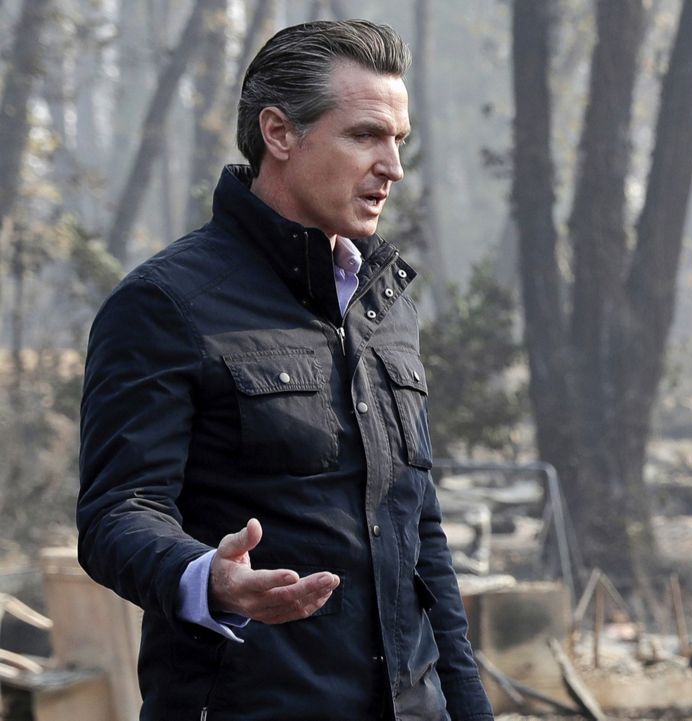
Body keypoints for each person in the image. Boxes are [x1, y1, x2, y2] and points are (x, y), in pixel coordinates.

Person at [77, 20, 492, 721]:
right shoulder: (165, 304)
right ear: (279, 133)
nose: (392, 166)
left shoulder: (386, 305)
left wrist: (470, 708)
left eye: (400, 141)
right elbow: (117, 512)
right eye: (365, 135)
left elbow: (420, 533)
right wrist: (207, 577)